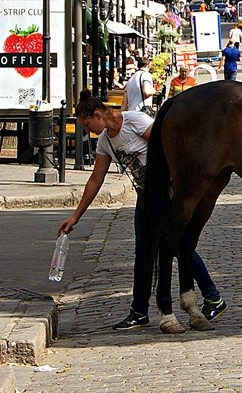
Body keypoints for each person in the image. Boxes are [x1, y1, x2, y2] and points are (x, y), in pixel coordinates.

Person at [59, 98, 226, 330]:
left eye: (86, 125)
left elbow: (168, 148)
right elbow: (95, 179)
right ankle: (140, 311)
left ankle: (211, 296)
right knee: (143, 251)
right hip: (145, 198)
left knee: (177, 247)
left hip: (166, 194)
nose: (87, 130)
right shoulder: (105, 142)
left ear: (98, 115)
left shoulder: (135, 122)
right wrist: (75, 216)